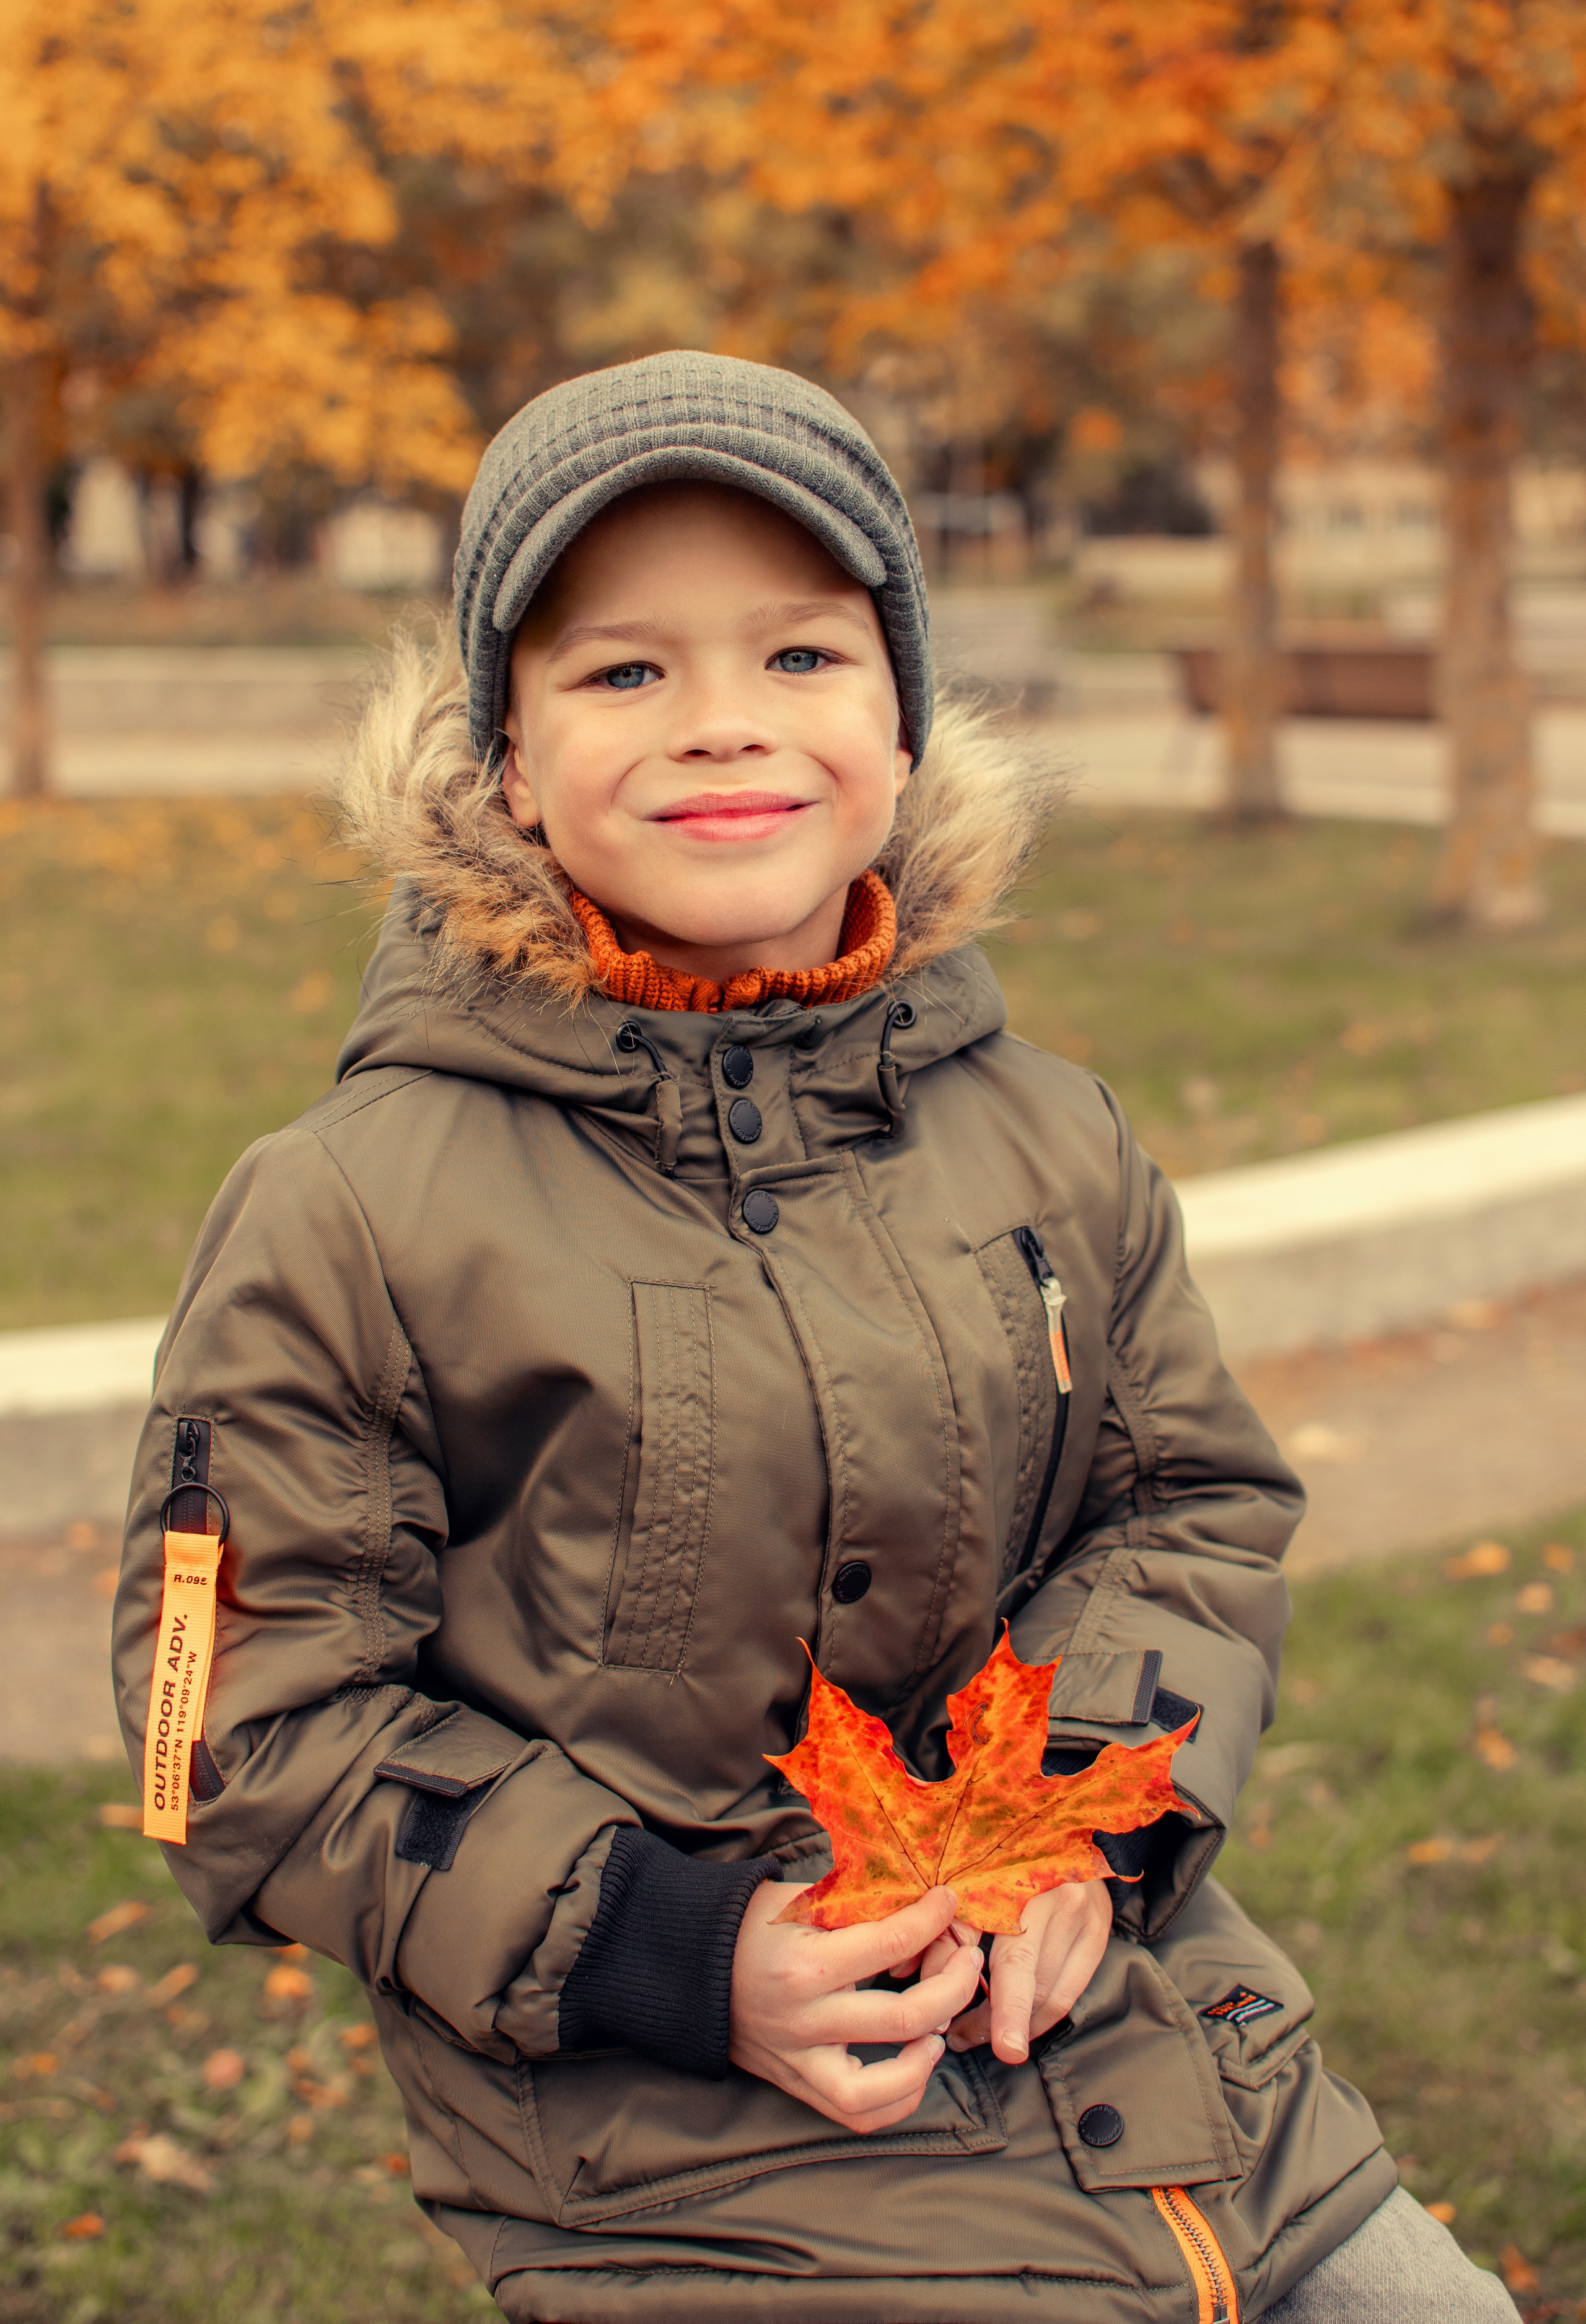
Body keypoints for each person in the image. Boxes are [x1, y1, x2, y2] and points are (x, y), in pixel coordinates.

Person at [113, 351, 1515, 2323]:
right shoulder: (352, 1211)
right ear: (502, 756)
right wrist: (683, 1952)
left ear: (900, 715)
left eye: (799, 657)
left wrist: (1080, 1832)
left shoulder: (1048, 1133)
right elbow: (243, 1730)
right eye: (624, 673)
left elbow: (1185, 1503)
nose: (722, 729)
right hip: (688, 2155)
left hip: (1169, 2077)